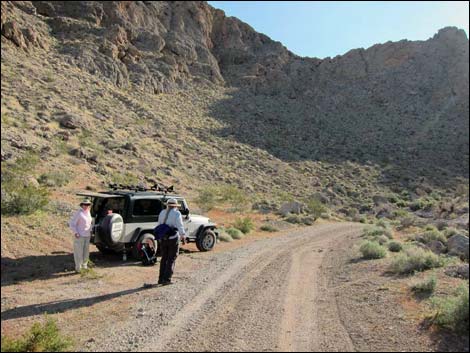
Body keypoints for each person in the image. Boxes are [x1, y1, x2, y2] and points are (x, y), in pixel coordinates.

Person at [153, 198, 187, 286]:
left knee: (164, 258)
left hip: (163, 238)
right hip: (173, 238)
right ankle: (167, 279)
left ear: (167, 205)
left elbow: (159, 224)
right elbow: (180, 226)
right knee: (171, 258)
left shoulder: (162, 212)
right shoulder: (177, 213)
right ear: (175, 206)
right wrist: (183, 236)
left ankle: (160, 279)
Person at [69, 199, 93, 273]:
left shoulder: (88, 212)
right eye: (85, 204)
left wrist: (91, 230)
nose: (86, 206)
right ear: (82, 205)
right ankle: (78, 268)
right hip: (79, 236)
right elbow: (72, 224)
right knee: (78, 252)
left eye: (88, 205)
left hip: (87, 235)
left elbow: (89, 223)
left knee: (86, 252)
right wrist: (76, 232)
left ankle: (84, 266)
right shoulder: (79, 213)